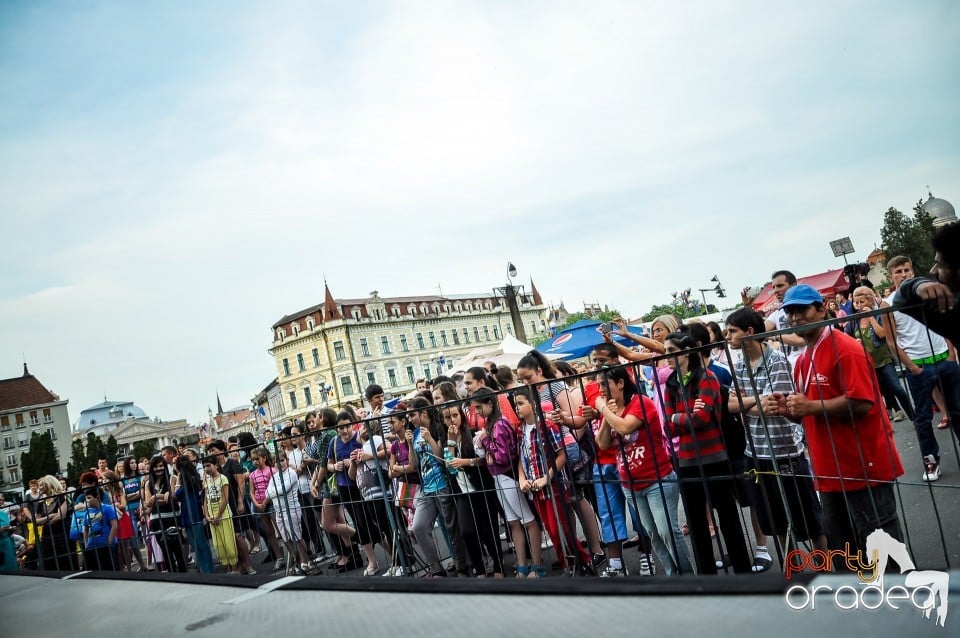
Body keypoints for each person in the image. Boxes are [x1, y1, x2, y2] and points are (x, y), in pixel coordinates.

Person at [763, 284, 904, 562]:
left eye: (802, 310)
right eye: (790, 312)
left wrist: (810, 406)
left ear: (822, 309)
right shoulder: (803, 359)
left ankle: (899, 601)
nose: (795, 318)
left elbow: (863, 402)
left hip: (863, 467)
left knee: (882, 550)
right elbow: (808, 413)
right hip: (829, 472)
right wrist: (788, 410)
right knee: (843, 552)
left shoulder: (846, 348)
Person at [725, 307, 828, 566]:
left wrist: (747, 404)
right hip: (755, 453)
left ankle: (825, 569)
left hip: (785, 451)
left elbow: (776, 404)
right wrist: (757, 401)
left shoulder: (777, 360)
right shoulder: (739, 365)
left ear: (750, 332)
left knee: (810, 519)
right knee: (776, 521)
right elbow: (730, 406)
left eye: (732, 331)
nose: (727, 337)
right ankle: (793, 570)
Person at [662, 332, 752, 575]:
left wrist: (678, 416)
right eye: (666, 352)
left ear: (687, 351)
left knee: (728, 518)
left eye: (672, 351)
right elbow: (668, 426)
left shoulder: (708, 377)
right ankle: (707, 576)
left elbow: (702, 419)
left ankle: (743, 570)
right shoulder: (671, 383)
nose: (667, 357)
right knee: (696, 522)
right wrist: (686, 415)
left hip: (715, 458)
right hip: (687, 460)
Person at [594, 365, 693, 576]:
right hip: (631, 485)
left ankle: (689, 577)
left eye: (605, 384)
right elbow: (602, 444)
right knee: (653, 534)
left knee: (667, 531)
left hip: (657, 479)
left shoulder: (640, 402)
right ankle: (672, 574)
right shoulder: (610, 412)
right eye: (599, 385)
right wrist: (606, 416)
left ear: (621, 384)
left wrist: (603, 409)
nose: (601, 390)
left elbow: (624, 427)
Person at [883, 255, 957, 481]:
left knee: (959, 410)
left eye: (907, 270)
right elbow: (890, 340)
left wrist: (951, 350)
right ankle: (931, 461)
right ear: (891, 276)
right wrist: (912, 367)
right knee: (923, 418)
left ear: (913, 272)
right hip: (919, 367)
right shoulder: (889, 304)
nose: (904, 274)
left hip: (945, 359)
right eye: (899, 271)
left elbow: (945, 321)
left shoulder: (927, 294)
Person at [514, 387, 593, 576]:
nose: (517, 408)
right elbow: (521, 459)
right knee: (551, 530)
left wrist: (545, 478)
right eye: (515, 404)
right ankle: (569, 565)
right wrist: (522, 478)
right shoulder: (522, 429)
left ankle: (581, 562)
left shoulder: (547, 425)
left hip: (553, 486)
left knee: (561, 530)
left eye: (520, 403)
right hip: (535, 489)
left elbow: (562, 454)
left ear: (533, 404)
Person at [472, 387, 543, 577]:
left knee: (528, 521)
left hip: (507, 477)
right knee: (513, 523)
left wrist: (486, 444)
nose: (477, 411)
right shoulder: (492, 425)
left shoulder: (499, 425)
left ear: (490, 403)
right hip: (500, 478)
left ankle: (537, 566)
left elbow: (503, 456)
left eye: (479, 407)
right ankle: (522, 566)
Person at [440, 399, 506, 578]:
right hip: (463, 493)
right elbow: (450, 467)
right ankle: (480, 569)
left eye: (454, 415)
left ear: (461, 416)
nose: (452, 420)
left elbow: (485, 460)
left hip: (481, 489)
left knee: (488, 531)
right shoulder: (446, 440)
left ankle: (498, 567)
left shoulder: (473, 434)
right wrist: (451, 442)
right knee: (467, 531)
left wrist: (466, 462)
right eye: (447, 417)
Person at [407, 396, 465, 577]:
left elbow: (443, 458)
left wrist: (430, 439)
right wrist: (409, 443)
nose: (410, 419)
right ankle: (436, 568)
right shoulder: (416, 433)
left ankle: (463, 565)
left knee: (451, 527)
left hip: (442, 484)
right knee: (419, 527)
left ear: (423, 413)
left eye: (412, 415)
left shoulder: (438, 428)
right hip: (427, 488)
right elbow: (414, 464)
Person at [848, 286, 915, 422]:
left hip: (884, 359)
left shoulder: (878, 314)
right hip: (867, 362)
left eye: (862, 302)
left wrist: (871, 317)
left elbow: (882, 334)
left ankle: (914, 417)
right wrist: (855, 341)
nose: (859, 305)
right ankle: (889, 416)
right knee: (881, 391)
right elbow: (847, 338)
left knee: (897, 388)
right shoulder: (854, 320)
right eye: (856, 302)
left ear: (870, 300)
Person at [206, 439, 255, 574]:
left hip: (234, 502)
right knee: (228, 537)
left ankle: (247, 564)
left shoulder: (232, 464)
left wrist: (240, 501)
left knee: (238, 535)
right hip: (221, 506)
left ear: (222, 450)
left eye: (213, 450)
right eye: (210, 451)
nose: (211, 453)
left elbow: (240, 483)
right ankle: (236, 565)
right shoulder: (214, 467)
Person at [266, 452, 312, 574]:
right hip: (278, 510)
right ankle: (296, 559)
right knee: (286, 537)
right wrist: (276, 492)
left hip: (291, 508)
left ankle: (305, 561)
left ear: (286, 460)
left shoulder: (291, 474)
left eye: (282, 460)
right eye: (277, 461)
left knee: (296, 536)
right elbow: (267, 494)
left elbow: (283, 490)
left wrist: (274, 492)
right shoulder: (274, 476)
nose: (280, 464)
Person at [143, 456, 186, 573]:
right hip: (157, 520)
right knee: (165, 551)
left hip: (172, 518)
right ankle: (173, 577)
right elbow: (148, 503)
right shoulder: (148, 483)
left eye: (161, 466)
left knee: (177, 549)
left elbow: (174, 497)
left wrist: (156, 497)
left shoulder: (172, 478)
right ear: (152, 468)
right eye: (156, 466)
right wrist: (164, 496)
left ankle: (184, 576)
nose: (158, 469)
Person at [175, 456, 213, 574]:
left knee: (200, 544)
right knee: (198, 544)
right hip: (192, 513)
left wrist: (178, 479)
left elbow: (177, 493)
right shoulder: (193, 477)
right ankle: (205, 569)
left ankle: (207, 569)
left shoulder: (189, 479)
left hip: (192, 513)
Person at [763, 270, 807, 367]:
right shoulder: (777, 313)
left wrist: (775, 337)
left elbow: (801, 340)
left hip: (807, 365)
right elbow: (758, 330)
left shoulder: (806, 308)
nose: (775, 290)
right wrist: (748, 307)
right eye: (774, 287)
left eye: (780, 286)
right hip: (787, 369)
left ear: (793, 285)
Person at [203, 456, 238, 573]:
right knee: (219, 546)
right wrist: (207, 515)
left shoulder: (223, 478)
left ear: (216, 465)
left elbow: (225, 498)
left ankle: (234, 568)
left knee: (229, 544)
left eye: (208, 465)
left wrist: (218, 516)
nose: (206, 468)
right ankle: (228, 568)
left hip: (223, 515)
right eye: (204, 466)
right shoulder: (207, 481)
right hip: (212, 518)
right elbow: (205, 500)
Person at [34, 474, 76, 571]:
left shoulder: (61, 497)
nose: (39, 488)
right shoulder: (41, 502)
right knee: (50, 562)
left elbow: (61, 516)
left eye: (42, 485)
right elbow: (36, 521)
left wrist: (45, 521)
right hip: (47, 536)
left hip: (61, 533)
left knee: (65, 561)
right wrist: (50, 516)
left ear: (49, 484)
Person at [81, 487, 117, 571]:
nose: (87, 500)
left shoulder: (107, 509)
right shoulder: (87, 512)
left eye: (89, 498)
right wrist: (86, 545)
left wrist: (109, 542)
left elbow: (114, 526)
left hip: (105, 545)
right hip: (92, 546)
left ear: (97, 497)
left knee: (109, 570)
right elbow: (85, 529)